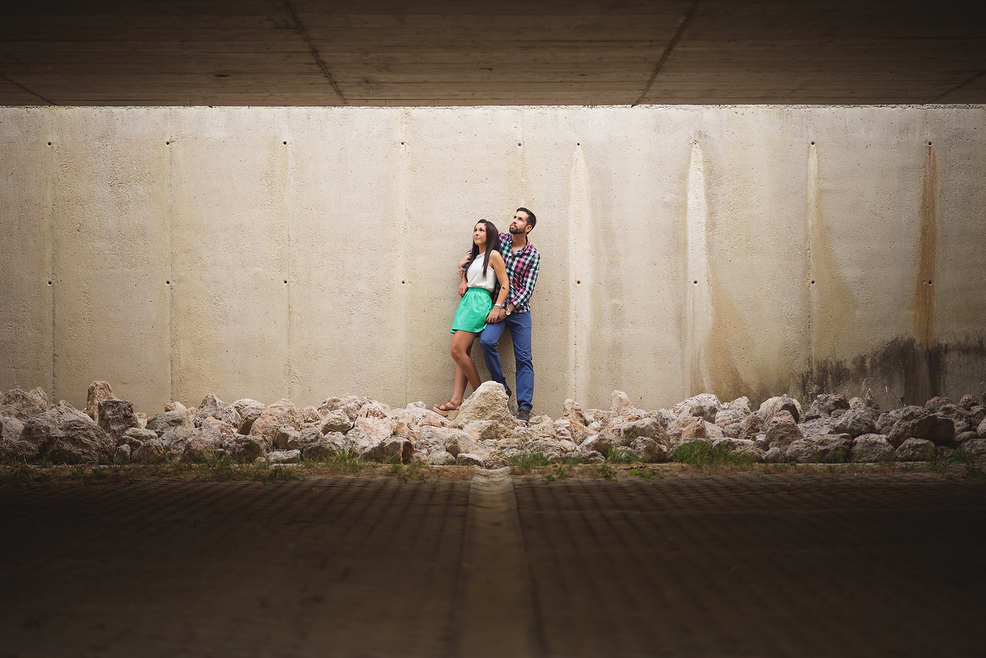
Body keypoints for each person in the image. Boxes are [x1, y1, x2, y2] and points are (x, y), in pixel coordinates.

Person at [433, 220, 510, 416]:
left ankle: (481, 398)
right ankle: (456, 400)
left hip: (479, 302)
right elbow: (470, 281)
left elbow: (505, 284)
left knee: (456, 349)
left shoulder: (493, 255)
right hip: (467, 301)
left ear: (489, 235)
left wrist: (497, 307)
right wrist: (462, 273)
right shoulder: (475, 257)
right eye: (475, 230)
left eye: (481, 230)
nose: (477, 233)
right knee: (463, 352)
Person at [478, 207, 541, 422]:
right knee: (487, 341)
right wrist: (464, 270)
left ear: (528, 228)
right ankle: (502, 388)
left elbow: (527, 290)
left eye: (520, 219)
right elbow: (479, 252)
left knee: (524, 359)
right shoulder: (501, 241)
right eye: (514, 217)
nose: (514, 220)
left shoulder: (533, 255)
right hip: (496, 307)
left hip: (519, 312)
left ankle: (524, 408)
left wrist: (508, 309)